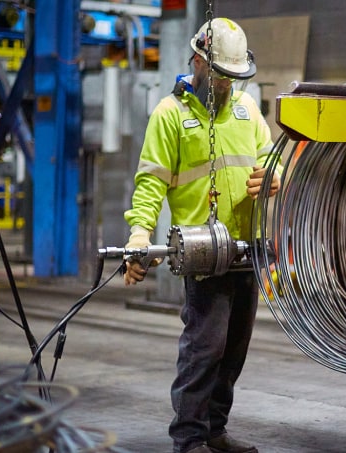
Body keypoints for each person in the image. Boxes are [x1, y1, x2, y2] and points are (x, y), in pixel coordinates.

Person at [122, 17, 280, 453]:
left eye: (233, 77)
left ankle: (214, 430)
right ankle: (188, 439)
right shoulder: (170, 114)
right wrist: (139, 233)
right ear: (197, 60)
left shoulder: (248, 111)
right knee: (204, 351)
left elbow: (271, 155)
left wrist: (275, 175)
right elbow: (151, 182)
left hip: (247, 252)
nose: (227, 85)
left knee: (233, 351)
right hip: (204, 255)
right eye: (219, 75)